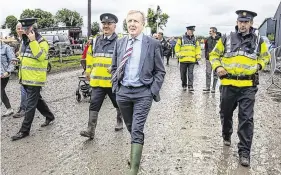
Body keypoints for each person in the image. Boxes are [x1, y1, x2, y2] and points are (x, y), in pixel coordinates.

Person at [209, 10, 270, 167]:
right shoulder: (226, 38)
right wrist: (218, 68)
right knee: (225, 113)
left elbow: (266, 57)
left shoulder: (258, 41)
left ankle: (244, 152)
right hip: (228, 85)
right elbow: (214, 55)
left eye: (246, 22)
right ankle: (226, 134)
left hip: (248, 87)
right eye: (240, 22)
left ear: (251, 23)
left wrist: (259, 65)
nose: (243, 24)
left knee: (246, 119)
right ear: (237, 22)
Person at [111, 10, 165, 174]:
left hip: (143, 93)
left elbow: (160, 71)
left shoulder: (152, 44)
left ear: (143, 24)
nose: (132, 24)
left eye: (136, 21)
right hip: (123, 93)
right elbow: (114, 66)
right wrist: (116, 87)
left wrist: (151, 91)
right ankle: (136, 154)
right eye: (129, 21)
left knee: (136, 129)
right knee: (130, 126)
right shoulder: (120, 43)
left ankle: (133, 169)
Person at [80, 13, 124, 139]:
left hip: (112, 82)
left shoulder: (119, 42)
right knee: (94, 104)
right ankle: (90, 130)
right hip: (97, 82)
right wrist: (88, 71)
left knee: (117, 103)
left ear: (114, 26)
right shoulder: (94, 41)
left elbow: (123, 59)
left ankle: (120, 121)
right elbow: (89, 57)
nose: (106, 26)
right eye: (104, 24)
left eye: (109, 24)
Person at [11, 18, 55, 141]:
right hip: (25, 77)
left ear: (33, 29)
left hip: (35, 79)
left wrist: (33, 41)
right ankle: (49, 116)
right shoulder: (24, 41)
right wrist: (17, 59)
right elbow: (22, 55)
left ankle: (24, 130)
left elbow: (41, 57)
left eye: (27, 29)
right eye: (23, 29)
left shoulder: (42, 42)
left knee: (30, 105)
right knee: (37, 100)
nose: (24, 31)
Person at [175, 25, 201, 91]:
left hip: (192, 60)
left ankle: (190, 86)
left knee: (190, 73)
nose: (191, 32)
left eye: (192, 31)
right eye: (190, 31)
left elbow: (197, 48)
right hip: (183, 59)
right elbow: (177, 47)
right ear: (187, 30)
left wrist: (198, 55)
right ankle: (184, 85)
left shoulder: (195, 38)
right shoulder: (181, 38)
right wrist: (178, 54)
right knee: (183, 74)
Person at [13, 22, 27, 118]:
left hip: (29, 71)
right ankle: (49, 115)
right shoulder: (21, 40)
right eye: (18, 28)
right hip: (23, 70)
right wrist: (17, 58)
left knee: (24, 90)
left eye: (21, 28)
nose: (19, 30)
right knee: (34, 94)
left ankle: (23, 109)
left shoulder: (26, 40)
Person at [1, 39, 16, 117]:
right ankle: (9, 108)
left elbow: (13, 61)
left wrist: (8, 71)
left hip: (3, 74)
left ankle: (9, 109)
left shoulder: (6, 48)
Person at [203, 27, 220, 93]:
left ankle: (213, 88)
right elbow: (206, 49)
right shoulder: (207, 39)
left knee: (215, 74)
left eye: (210, 31)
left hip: (217, 59)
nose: (209, 32)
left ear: (214, 31)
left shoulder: (219, 39)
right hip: (208, 59)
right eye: (209, 31)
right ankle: (207, 87)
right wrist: (206, 56)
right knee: (208, 73)